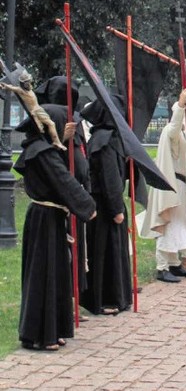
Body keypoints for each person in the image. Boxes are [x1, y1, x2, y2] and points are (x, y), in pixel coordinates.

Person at [14, 103, 96, 351]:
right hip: (44, 219)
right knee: (44, 274)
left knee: (57, 273)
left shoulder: (44, 148)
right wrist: (87, 205)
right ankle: (40, 334)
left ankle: (54, 329)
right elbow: (63, 180)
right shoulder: (42, 152)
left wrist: (62, 139)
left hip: (51, 217)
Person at [140, 89, 186, 282]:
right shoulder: (172, 131)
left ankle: (174, 264)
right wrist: (181, 105)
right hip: (172, 186)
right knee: (167, 226)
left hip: (184, 186)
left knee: (180, 226)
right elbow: (174, 128)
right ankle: (162, 266)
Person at [79, 96, 132, 315]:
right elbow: (110, 178)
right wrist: (117, 209)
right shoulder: (106, 140)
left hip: (102, 204)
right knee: (106, 253)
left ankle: (111, 296)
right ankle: (107, 298)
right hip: (105, 206)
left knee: (106, 251)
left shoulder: (100, 138)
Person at [0, 68, 66, 150]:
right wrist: (3, 86)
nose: (28, 83)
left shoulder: (29, 89)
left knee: (48, 125)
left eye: (29, 81)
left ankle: (56, 141)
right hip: (36, 110)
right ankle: (56, 142)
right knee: (51, 124)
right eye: (26, 82)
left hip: (38, 109)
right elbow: (11, 87)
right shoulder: (21, 90)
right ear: (23, 83)